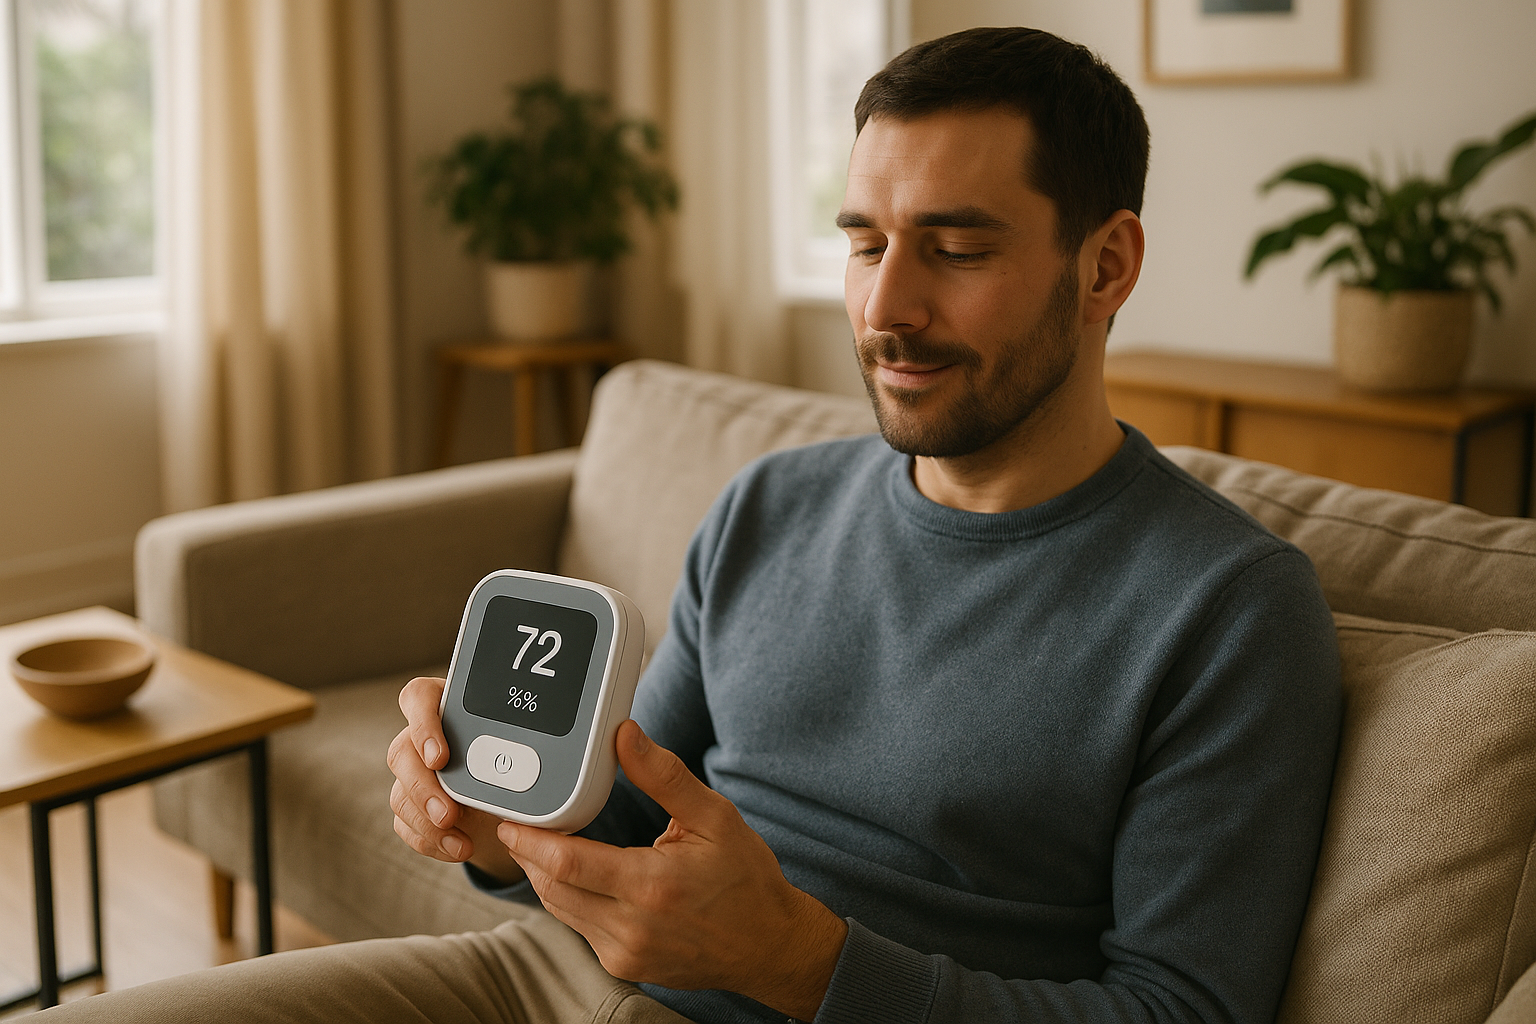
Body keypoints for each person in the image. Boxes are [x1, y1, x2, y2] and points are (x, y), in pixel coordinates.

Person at [38, 25, 1340, 1024]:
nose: (886, 306)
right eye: (863, 239)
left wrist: (803, 963)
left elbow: (1181, 1010)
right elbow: (632, 821)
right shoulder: (770, 505)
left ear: (1105, 264)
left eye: (955, 248)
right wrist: (508, 833)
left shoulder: (1225, 606)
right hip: (537, 980)